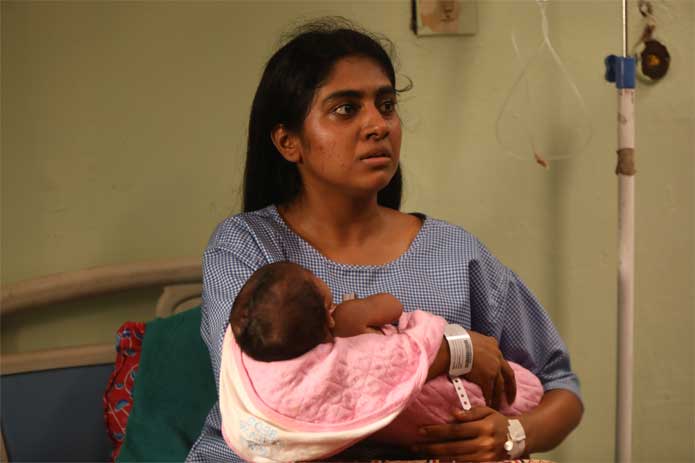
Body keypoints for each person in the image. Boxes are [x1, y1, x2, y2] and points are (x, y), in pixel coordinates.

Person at [187, 17, 582, 462]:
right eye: (345, 109)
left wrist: (513, 434)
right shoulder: (247, 247)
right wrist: (454, 350)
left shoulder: (455, 253)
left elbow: (560, 387)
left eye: (387, 105)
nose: (378, 125)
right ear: (288, 142)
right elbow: (278, 396)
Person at [221, 260, 544, 461]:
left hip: (461, 434)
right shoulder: (349, 319)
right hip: (460, 406)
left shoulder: (270, 364)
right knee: (515, 391)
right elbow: (392, 306)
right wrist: (456, 349)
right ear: (326, 314)